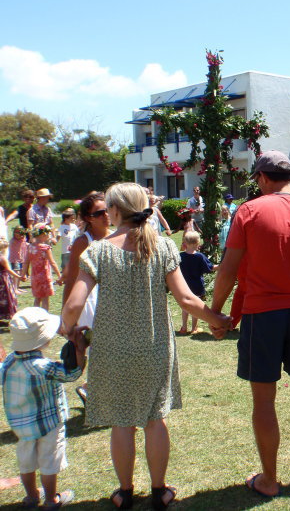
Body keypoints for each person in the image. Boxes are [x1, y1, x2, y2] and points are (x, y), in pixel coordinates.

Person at [61, 182, 231, 510]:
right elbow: (186, 299)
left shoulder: (98, 251)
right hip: (155, 347)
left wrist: (68, 330)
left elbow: (72, 306)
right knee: (155, 420)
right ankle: (159, 491)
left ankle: (124, 492)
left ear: (114, 211)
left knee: (122, 422)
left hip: (112, 350)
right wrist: (217, 319)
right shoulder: (163, 246)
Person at [211, 151, 290, 497]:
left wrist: (216, 313)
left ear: (263, 177)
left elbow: (228, 269)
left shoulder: (248, 211)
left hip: (261, 314)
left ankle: (269, 479)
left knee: (264, 400)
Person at [0, 307, 86, 509]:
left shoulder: (10, 362)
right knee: (49, 462)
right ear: (42, 339)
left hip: (22, 427)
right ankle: (50, 499)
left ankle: (31, 497)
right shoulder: (43, 367)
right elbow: (72, 374)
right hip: (49, 424)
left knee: (26, 463)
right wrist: (79, 349)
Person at [61, 191, 111, 407]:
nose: (105, 215)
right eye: (99, 213)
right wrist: (66, 318)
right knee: (100, 349)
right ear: (88, 218)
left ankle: (92, 390)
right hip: (90, 301)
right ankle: (90, 389)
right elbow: (71, 280)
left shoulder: (115, 236)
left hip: (111, 299)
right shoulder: (83, 242)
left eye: (107, 210)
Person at [178, 231, 217, 335]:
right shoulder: (200, 256)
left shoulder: (180, 256)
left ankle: (184, 328)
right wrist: (221, 266)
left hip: (184, 286)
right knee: (195, 308)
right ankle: (194, 328)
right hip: (197, 286)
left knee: (185, 307)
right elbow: (210, 268)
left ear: (185, 242)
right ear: (198, 243)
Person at [21, 225, 61, 311]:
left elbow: (26, 262)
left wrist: (23, 274)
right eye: (48, 234)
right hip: (45, 276)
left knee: (37, 298)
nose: (49, 236)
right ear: (43, 235)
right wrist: (59, 275)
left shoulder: (30, 247)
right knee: (45, 298)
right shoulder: (45, 248)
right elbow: (52, 262)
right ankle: (44, 315)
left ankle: (35, 315)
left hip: (35, 276)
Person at [0, 237, 20, 320]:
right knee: (7, 296)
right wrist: (19, 277)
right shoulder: (3, 258)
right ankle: (8, 313)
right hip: (3, 279)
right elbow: (9, 270)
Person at [9, 227, 28, 294]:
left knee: (20, 272)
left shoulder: (23, 239)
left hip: (22, 259)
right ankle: (14, 288)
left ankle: (17, 287)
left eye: (19, 233)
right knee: (16, 273)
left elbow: (25, 243)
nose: (17, 235)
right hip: (15, 259)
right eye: (15, 233)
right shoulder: (13, 241)